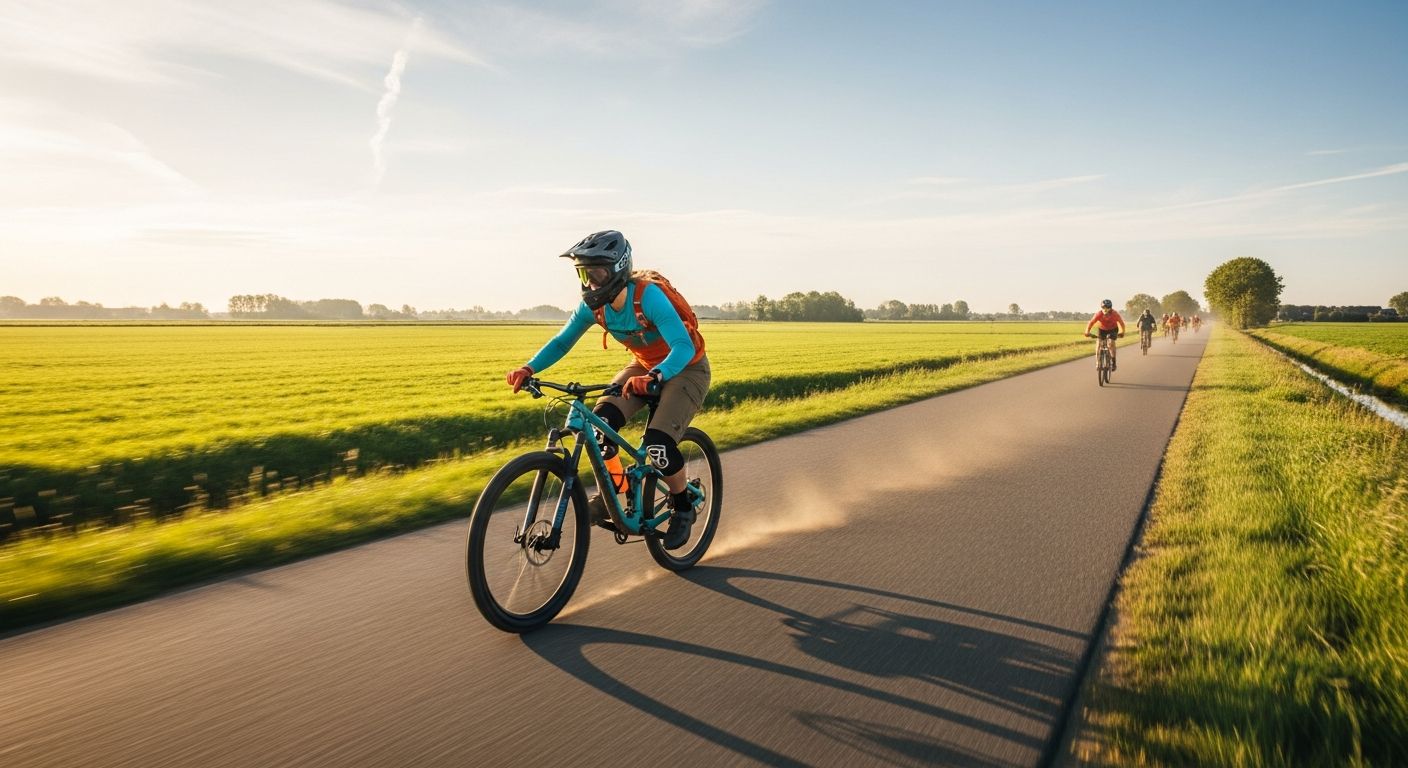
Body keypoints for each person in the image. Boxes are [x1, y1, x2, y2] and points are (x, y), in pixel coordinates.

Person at [505, 230, 710, 550]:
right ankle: (616, 489)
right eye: (583, 274)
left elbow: (683, 347)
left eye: (596, 273)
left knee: (658, 445)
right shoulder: (593, 307)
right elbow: (561, 342)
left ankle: (683, 505)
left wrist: (657, 375)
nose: (590, 283)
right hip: (643, 367)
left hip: (685, 368)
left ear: (618, 269)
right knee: (600, 425)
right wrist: (529, 368)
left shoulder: (648, 297)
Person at [1085, 299, 1126, 370]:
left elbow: (1122, 323)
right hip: (1102, 329)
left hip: (1113, 329)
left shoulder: (1115, 314)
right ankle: (1098, 363)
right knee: (1098, 345)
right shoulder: (1099, 314)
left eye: (1107, 307)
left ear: (1110, 308)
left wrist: (1123, 332)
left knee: (1110, 343)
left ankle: (1113, 363)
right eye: (1103, 308)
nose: (1105, 309)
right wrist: (1087, 331)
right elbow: (1091, 323)